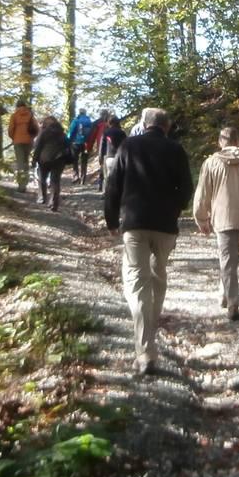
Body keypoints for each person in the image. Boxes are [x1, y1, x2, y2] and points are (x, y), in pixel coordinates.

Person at [104, 108, 194, 377]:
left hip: (135, 223)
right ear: (167, 126)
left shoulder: (129, 146)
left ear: (144, 125)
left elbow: (113, 185)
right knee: (157, 278)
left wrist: (111, 219)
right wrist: (175, 209)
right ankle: (148, 336)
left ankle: (145, 350)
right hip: (165, 226)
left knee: (137, 282)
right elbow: (187, 189)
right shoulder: (176, 150)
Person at [192, 126, 239, 321]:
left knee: (227, 259)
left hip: (222, 218)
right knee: (230, 257)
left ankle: (233, 302)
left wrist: (201, 218)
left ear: (220, 142)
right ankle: (224, 294)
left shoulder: (211, 163)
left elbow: (202, 195)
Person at [31, 116, 71, 211]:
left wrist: (34, 160)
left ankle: (42, 198)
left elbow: (37, 147)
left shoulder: (44, 133)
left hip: (44, 159)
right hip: (59, 160)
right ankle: (54, 203)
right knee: (55, 181)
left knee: (42, 178)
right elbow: (68, 147)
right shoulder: (62, 134)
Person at [7, 97, 38, 191]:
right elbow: (36, 128)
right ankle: (25, 182)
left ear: (17, 106)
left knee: (20, 163)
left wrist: (13, 137)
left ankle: (21, 186)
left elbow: (10, 130)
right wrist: (32, 137)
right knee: (26, 162)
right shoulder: (30, 115)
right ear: (25, 106)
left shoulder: (14, 116)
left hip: (18, 141)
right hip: (29, 142)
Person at [96, 114, 126, 192]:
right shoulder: (122, 133)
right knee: (119, 177)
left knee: (107, 177)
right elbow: (126, 146)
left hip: (109, 157)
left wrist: (100, 158)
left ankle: (106, 194)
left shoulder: (106, 133)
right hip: (120, 158)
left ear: (109, 122)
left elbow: (101, 147)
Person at [68, 108, 95, 184]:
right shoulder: (89, 121)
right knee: (84, 161)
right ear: (85, 113)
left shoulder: (76, 120)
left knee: (75, 160)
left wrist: (68, 140)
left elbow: (71, 131)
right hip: (86, 144)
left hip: (76, 143)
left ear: (79, 113)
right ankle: (83, 179)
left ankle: (76, 176)